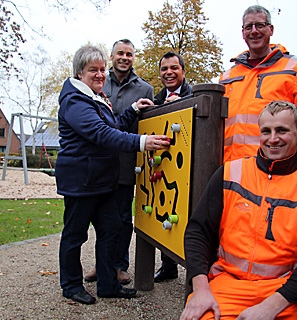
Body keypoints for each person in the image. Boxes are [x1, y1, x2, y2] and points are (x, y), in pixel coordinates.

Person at [180, 101, 297, 320]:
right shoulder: (230, 173)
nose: (273, 139)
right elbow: (198, 232)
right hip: (232, 284)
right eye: (266, 131)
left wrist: (271, 306)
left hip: (291, 289)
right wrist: (201, 290)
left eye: (282, 130)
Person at [56, 44, 170, 305]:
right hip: (82, 181)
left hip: (102, 181)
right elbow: (101, 133)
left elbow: (114, 124)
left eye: (101, 70)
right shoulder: (75, 100)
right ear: (79, 74)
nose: (99, 75)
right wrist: (142, 142)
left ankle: (108, 284)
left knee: (111, 230)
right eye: (92, 70)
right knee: (75, 234)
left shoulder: (96, 98)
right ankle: (71, 285)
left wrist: (132, 109)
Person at [219, 5, 297, 175]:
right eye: (249, 27)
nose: (254, 31)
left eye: (260, 25)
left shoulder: (296, 69)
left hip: (274, 172)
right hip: (230, 172)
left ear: (271, 29)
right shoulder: (227, 77)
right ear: (242, 32)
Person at [84, 39, 154, 286]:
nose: (125, 57)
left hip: (126, 163)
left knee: (123, 217)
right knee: (102, 217)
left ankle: (120, 265)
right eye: (120, 53)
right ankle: (101, 264)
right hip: (101, 163)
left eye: (129, 54)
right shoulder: (98, 82)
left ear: (134, 58)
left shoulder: (144, 89)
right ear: (112, 56)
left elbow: (147, 124)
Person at [153, 51, 193, 283]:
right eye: (164, 69)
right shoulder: (157, 98)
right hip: (165, 164)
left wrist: (183, 104)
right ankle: (168, 266)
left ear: (183, 71)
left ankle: (194, 272)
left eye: (174, 68)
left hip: (187, 167)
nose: (169, 72)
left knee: (188, 219)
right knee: (165, 211)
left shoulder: (193, 93)